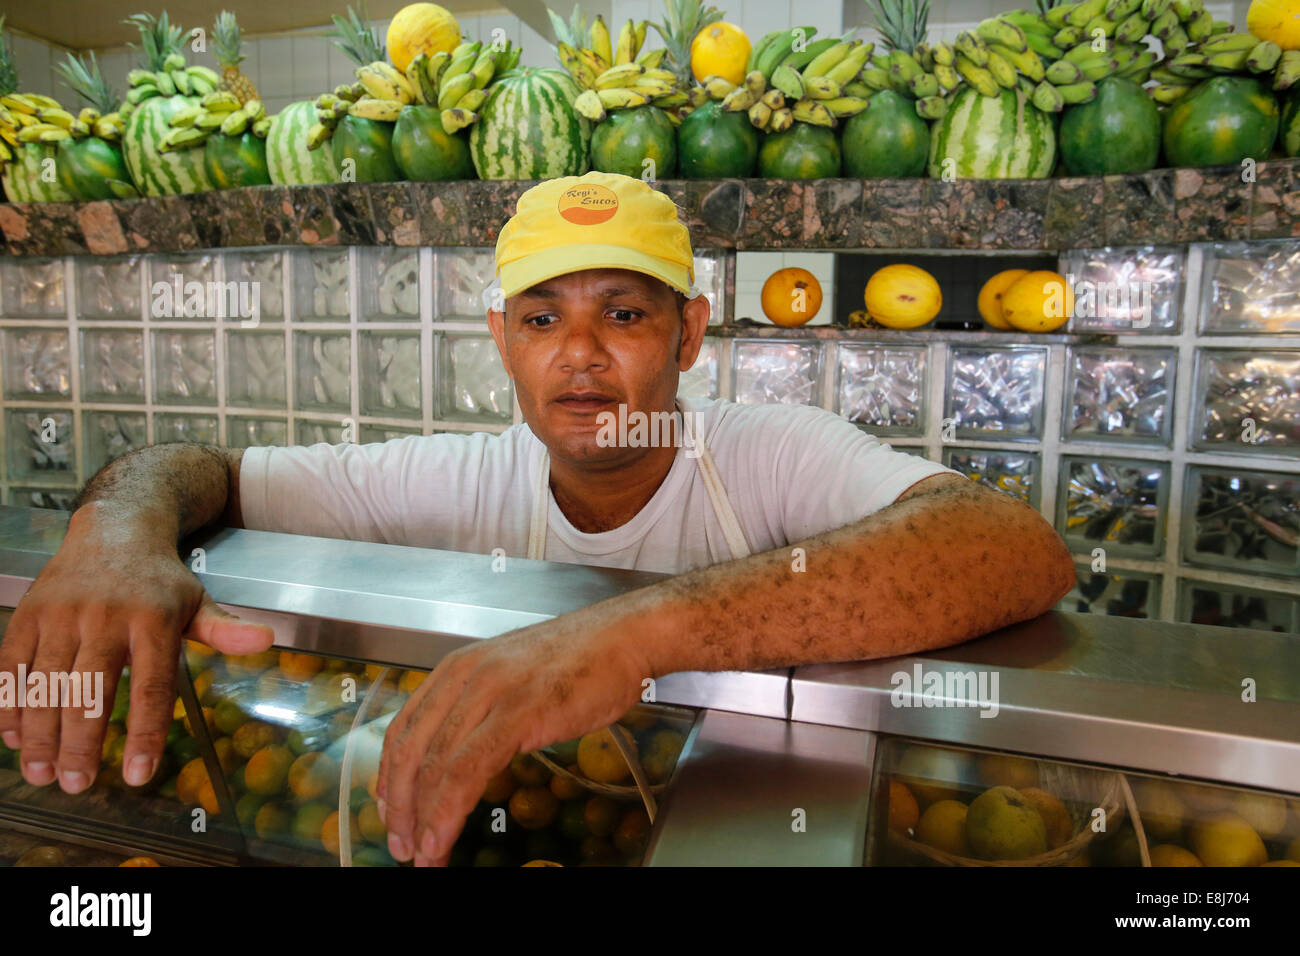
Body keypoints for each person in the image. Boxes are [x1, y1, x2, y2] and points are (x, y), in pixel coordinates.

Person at [0, 171, 1075, 866]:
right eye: (541, 318)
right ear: (501, 338)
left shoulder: (766, 453)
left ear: (688, 335)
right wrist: (112, 536)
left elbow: (1006, 545)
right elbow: (195, 470)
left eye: (623, 313)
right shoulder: (456, 476)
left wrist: (630, 633)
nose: (581, 355)